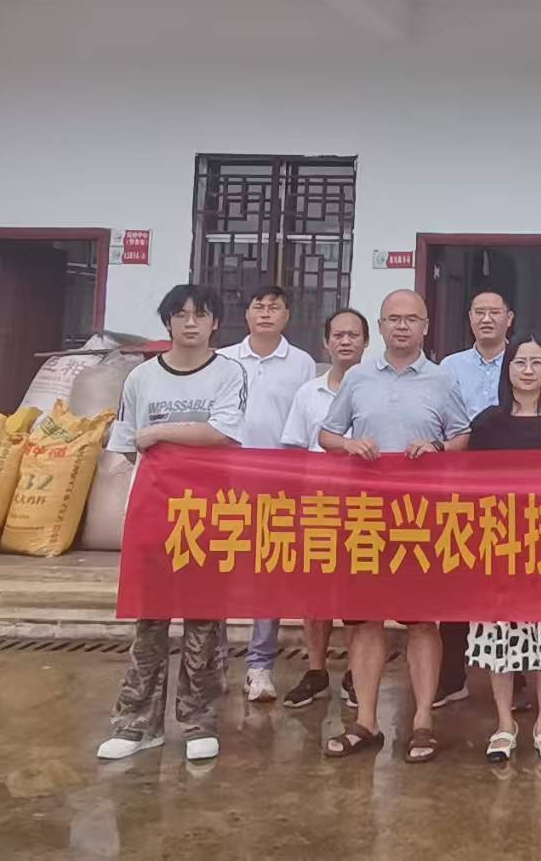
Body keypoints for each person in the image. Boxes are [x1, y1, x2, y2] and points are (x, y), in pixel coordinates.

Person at [316, 289, 472, 764]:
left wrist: (438, 449)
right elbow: (327, 434)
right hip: (364, 517)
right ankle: (366, 721)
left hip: (421, 520)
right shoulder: (357, 377)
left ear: (425, 326)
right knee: (364, 620)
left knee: (422, 621)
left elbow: (462, 436)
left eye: (411, 319)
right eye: (393, 319)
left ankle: (422, 721)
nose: (402, 326)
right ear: (380, 327)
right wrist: (348, 446)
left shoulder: (442, 380)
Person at [96, 283, 249, 764]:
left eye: (200, 314)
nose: (190, 323)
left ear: (215, 323)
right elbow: (126, 444)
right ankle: (136, 723)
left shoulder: (229, 373)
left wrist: (159, 433)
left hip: (208, 513)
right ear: (167, 323)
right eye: (180, 315)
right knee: (150, 619)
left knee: (204, 619)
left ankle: (198, 721)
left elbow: (222, 432)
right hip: (154, 513)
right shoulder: (141, 378)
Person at [460, 332, 541, 764]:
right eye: (519, 362)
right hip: (499, 542)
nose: (528, 370)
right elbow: (472, 486)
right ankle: (504, 724)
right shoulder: (487, 423)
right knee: (501, 637)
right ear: (507, 368)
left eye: (536, 362)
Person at [219, 285, 315, 704]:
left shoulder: (302, 363)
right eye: (258, 306)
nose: (265, 313)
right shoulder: (223, 359)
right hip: (227, 480)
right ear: (247, 314)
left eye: (274, 307)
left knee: (267, 572)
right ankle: (215, 659)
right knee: (221, 570)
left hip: (279, 482)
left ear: (287, 316)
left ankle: (259, 666)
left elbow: (307, 419)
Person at [274, 306, 368, 712]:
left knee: (359, 596)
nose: (345, 341)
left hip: (365, 507)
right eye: (338, 335)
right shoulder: (307, 393)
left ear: (366, 342)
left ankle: (356, 673)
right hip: (317, 505)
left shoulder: (376, 389)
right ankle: (316, 671)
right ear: (326, 342)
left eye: (353, 335)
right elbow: (294, 450)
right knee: (316, 595)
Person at [434, 289, 516, 709]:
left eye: (494, 312)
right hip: (459, 486)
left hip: (510, 489)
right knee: (455, 580)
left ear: (509, 318)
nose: (487, 319)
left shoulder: (522, 359)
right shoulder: (449, 368)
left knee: (511, 581)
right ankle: (452, 676)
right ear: (469, 318)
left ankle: (517, 679)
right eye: (479, 312)